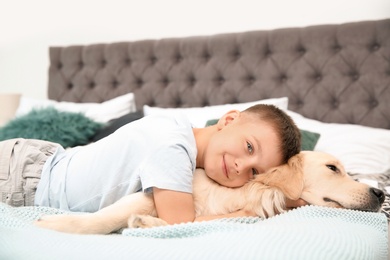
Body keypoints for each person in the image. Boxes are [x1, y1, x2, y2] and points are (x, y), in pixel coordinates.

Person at [0, 104, 302, 225]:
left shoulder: (178, 125)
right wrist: (249, 212)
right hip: (25, 181)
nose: (241, 167)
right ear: (229, 119)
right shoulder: (172, 149)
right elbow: (180, 225)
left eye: (254, 173)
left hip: (40, 162)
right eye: (249, 147)